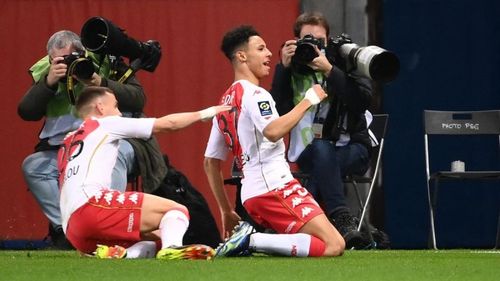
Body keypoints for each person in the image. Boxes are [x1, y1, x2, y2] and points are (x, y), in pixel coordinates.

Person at [204, 25, 345, 257]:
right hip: (274, 187)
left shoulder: (225, 101)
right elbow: (272, 131)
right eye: (261, 48)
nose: (269, 53)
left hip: (252, 194)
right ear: (241, 56)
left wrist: (226, 210)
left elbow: (210, 161)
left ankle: (255, 241)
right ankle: (252, 240)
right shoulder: (256, 94)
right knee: (334, 245)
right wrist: (308, 99)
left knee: (323, 244)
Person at [58, 86, 230, 259]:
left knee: (158, 236)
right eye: (116, 106)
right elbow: (168, 125)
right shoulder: (105, 123)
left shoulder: (67, 142)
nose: (119, 113)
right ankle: (173, 248)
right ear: (101, 107)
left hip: (73, 230)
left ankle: (124, 255)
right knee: (176, 211)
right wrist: (207, 112)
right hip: (92, 207)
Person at [18, 30, 147, 249]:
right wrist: (48, 83)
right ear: (50, 59)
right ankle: (67, 227)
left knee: (116, 154)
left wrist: (99, 81)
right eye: (60, 60)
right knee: (33, 166)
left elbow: (138, 100)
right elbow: (26, 111)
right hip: (64, 148)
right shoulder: (45, 72)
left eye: (72, 59)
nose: (68, 65)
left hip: (109, 141)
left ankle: (111, 225)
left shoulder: (104, 61)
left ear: (83, 53)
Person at [270, 12, 374, 249]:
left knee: (321, 160)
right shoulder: (292, 69)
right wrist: (283, 69)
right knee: (319, 149)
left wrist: (330, 70)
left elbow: (362, 102)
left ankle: (326, 221)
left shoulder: (345, 61)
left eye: (320, 41)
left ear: (328, 42)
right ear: (296, 41)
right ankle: (344, 223)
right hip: (308, 152)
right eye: (308, 39)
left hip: (352, 149)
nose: (314, 46)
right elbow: (276, 115)